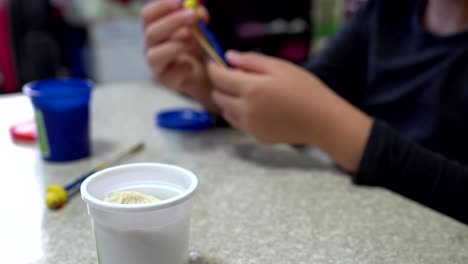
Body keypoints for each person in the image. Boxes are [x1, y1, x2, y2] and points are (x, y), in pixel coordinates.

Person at [142, 0, 468, 224]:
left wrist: (328, 127)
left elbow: (315, 113)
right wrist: (209, 84)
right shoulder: (387, 10)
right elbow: (302, 100)